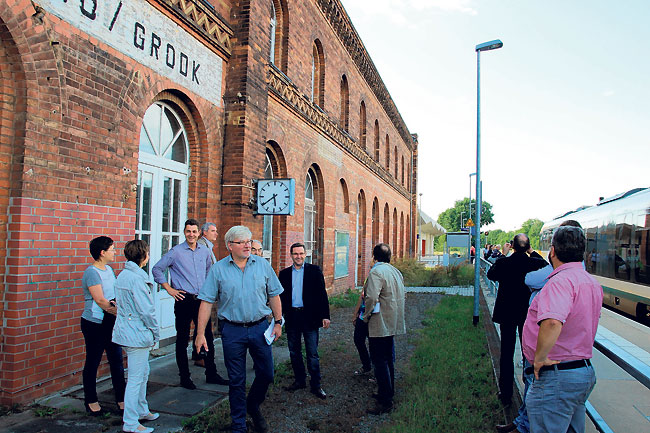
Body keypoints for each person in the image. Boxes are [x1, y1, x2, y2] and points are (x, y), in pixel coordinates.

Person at [195, 226, 284, 433]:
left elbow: (274, 295)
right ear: (229, 246)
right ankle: (238, 425)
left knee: (267, 373)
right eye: (242, 242)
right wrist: (200, 334)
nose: (247, 245)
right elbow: (206, 302)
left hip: (260, 328)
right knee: (236, 380)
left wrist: (278, 322)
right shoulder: (218, 270)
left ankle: (252, 405)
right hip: (232, 331)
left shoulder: (262, 265)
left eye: (249, 241)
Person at [522, 226, 602, 433]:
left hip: (557, 376)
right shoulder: (591, 282)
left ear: (553, 251)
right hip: (580, 372)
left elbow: (552, 322)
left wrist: (539, 358)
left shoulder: (560, 282)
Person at [152, 219, 228, 389]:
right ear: (184, 232)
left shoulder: (205, 251)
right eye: (188, 231)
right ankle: (185, 377)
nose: (191, 235)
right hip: (183, 300)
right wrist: (169, 289)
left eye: (194, 231)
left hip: (201, 300)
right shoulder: (176, 252)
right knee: (182, 338)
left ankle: (211, 373)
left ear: (198, 233)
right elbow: (157, 269)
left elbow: (210, 271)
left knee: (207, 335)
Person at [486, 234, 547, 405]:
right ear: (528, 246)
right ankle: (530, 390)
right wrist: (532, 251)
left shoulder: (505, 263)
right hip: (528, 314)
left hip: (507, 312)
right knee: (529, 351)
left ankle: (506, 393)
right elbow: (547, 266)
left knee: (506, 352)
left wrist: (504, 255)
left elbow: (491, 274)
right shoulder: (535, 263)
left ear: (512, 245)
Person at [112, 240, 159, 433]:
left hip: (127, 330)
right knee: (135, 378)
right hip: (136, 333)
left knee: (142, 373)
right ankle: (131, 422)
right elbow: (146, 310)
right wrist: (155, 331)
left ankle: (141, 410)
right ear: (144, 255)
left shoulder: (124, 275)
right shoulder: (136, 279)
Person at [80, 236, 125, 415]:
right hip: (94, 323)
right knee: (93, 360)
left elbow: (113, 293)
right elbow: (99, 300)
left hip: (111, 322)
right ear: (102, 252)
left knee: (117, 360)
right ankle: (91, 401)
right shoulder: (91, 272)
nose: (115, 252)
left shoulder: (109, 270)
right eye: (112, 249)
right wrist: (119, 311)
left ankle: (121, 399)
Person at [279, 243, 330, 399]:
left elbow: (322, 294)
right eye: (295, 254)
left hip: (310, 317)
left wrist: (325, 315)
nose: (298, 256)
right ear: (291, 255)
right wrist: (279, 316)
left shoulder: (314, 271)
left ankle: (316, 385)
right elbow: (280, 298)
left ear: (305, 254)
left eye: (301, 253)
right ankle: (299, 380)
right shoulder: (284, 274)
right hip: (293, 317)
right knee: (294, 352)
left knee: (312, 353)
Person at [363, 243, 406, 414]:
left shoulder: (376, 272)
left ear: (374, 256)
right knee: (388, 359)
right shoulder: (395, 271)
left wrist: (365, 316)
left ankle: (385, 401)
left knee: (379, 361)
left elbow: (371, 297)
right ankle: (387, 391)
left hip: (379, 322)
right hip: (393, 320)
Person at [192, 222, 218, 367]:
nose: (216, 233)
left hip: (206, 291)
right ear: (204, 232)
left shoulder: (208, 246)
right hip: (202, 292)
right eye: (213, 231)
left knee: (201, 325)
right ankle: (200, 355)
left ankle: (199, 354)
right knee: (201, 326)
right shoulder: (202, 246)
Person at [352, 289, 371, 376]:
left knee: (374, 344)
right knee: (358, 340)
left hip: (374, 319)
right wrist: (355, 314)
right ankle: (366, 365)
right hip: (362, 317)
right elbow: (362, 296)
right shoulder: (368, 279)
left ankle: (378, 371)